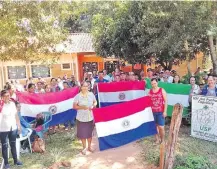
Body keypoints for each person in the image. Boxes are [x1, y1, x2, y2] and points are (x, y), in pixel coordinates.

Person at [0, 90, 23, 168]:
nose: (7, 97)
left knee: (13, 144)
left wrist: (19, 125)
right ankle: (6, 163)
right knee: (5, 146)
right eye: (5, 96)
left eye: (8, 95)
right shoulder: (0, 105)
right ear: (2, 97)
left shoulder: (12, 104)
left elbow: (16, 115)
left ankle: (16, 160)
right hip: (3, 129)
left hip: (13, 128)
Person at [73, 82, 97, 155]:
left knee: (89, 134)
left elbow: (95, 102)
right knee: (83, 134)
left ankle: (89, 147)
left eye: (87, 86)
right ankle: (84, 148)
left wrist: (93, 106)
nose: (85, 88)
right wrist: (82, 107)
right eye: (84, 86)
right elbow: (74, 106)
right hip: (81, 118)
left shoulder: (91, 94)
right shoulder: (78, 96)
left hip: (90, 117)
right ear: (81, 87)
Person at [149, 78, 167, 144]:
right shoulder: (150, 91)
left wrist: (165, 111)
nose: (153, 85)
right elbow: (147, 101)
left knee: (161, 127)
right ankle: (157, 139)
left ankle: (163, 140)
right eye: (152, 84)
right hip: (152, 112)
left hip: (160, 112)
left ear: (157, 83)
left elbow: (166, 101)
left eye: (155, 83)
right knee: (155, 127)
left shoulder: (162, 90)